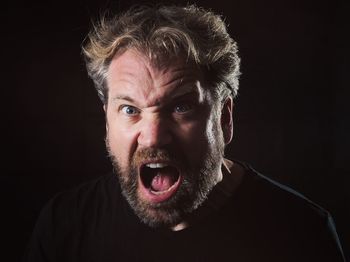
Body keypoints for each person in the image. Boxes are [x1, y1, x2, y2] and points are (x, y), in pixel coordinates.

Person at [23, 4, 345, 262]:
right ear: (107, 124)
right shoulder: (64, 225)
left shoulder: (303, 233)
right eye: (129, 110)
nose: (153, 137)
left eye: (181, 107)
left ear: (224, 117)